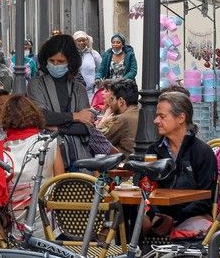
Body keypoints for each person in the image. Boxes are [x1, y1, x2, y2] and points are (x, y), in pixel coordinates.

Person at [145, 91, 217, 231]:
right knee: (129, 219)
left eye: (162, 116)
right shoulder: (153, 151)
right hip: (158, 216)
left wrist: (175, 218)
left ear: (181, 118)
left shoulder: (202, 152)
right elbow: (146, 189)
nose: (156, 121)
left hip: (190, 216)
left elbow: (206, 198)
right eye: (156, 116)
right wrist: (156, 214)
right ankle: (128, 252)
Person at [0, 95, 61, 225]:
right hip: (49, 228)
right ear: (34, 114)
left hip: (15, 228)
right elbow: (60, 182)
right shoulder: (50, 143)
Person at [27, 34, 93, 169]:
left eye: (61, 61)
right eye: (52, 61)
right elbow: (41, 116)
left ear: (70, 62)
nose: (55, 64)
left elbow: (86, 126)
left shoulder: (78, 89)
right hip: (46, 157)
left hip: (78, 157)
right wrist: (76, 116)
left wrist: (58, 128)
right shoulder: (36, 85)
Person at [99, 79, 139, 156]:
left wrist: (104, 120)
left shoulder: (122, 119)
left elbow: (97, 140)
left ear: (121, 101)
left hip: (122, 165)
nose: (110, 103)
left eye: (112, 99)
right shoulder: (141, 113)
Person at [74, 30, 101, 98]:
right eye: (79, 41)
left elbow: (100, 68)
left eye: (83, 40)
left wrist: (98, 78)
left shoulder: (94, 54)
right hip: (75, 91)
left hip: (92, 91)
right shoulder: (71, 55)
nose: (81, 42)